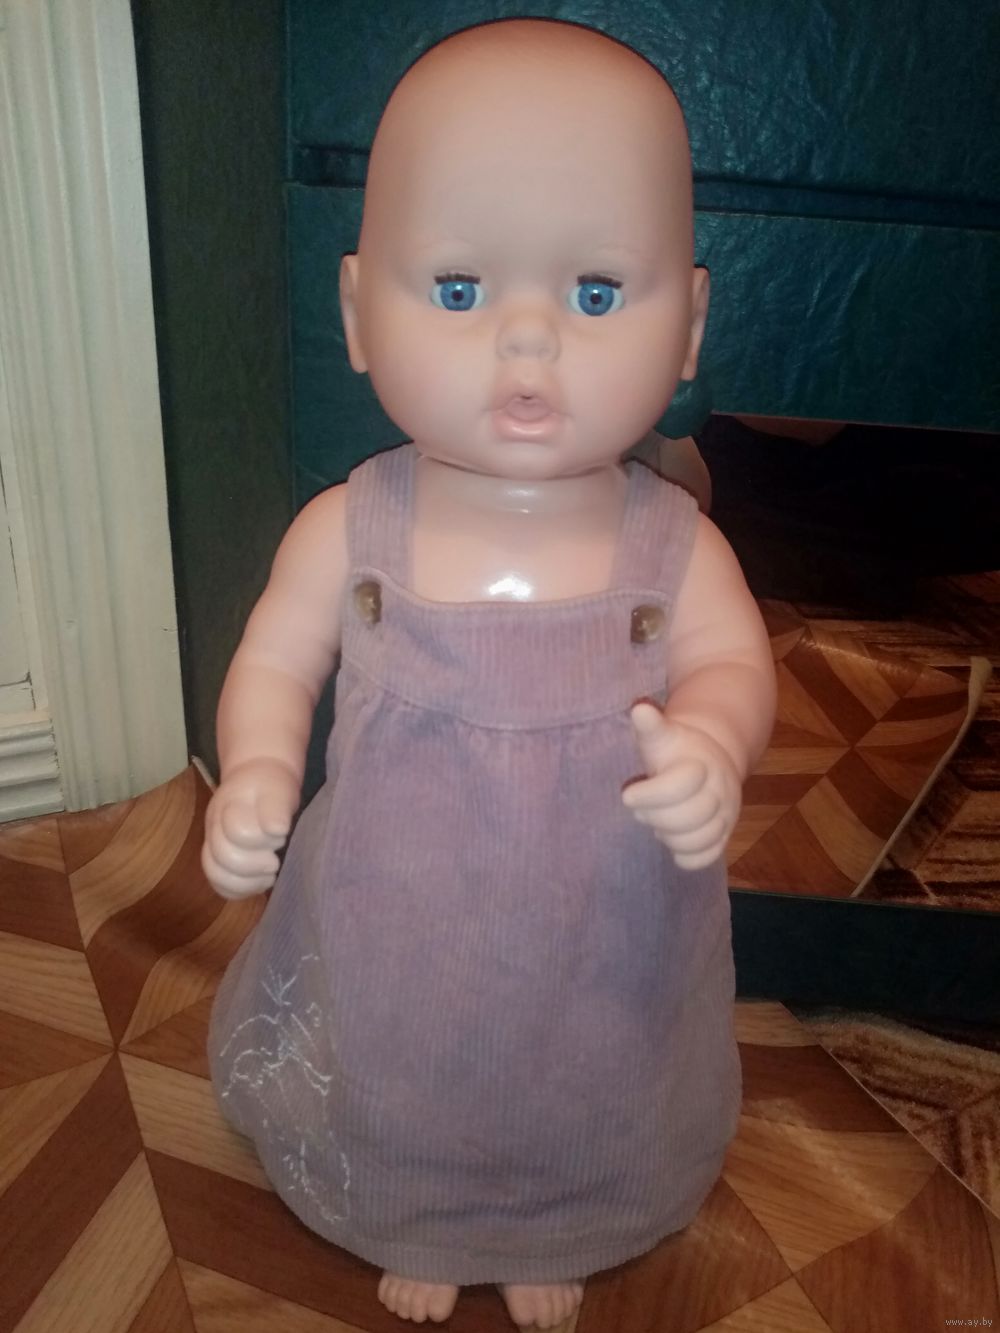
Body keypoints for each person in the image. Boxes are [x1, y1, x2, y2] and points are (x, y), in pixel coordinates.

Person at [202, 19, 776, 1331]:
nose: (530, 346)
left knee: (587, 1069)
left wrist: (714, 741)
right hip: (395, 914)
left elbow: (733, 661)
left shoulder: (675, 547)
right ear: (359, 311)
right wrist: (257, 768)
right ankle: (416, 1206)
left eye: (594, 295)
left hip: (605, 925)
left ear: (689, 325)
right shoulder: (350, 527)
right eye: (459, 290)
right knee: (406, 1053)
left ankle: (560, 1216)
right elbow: (275, 655)